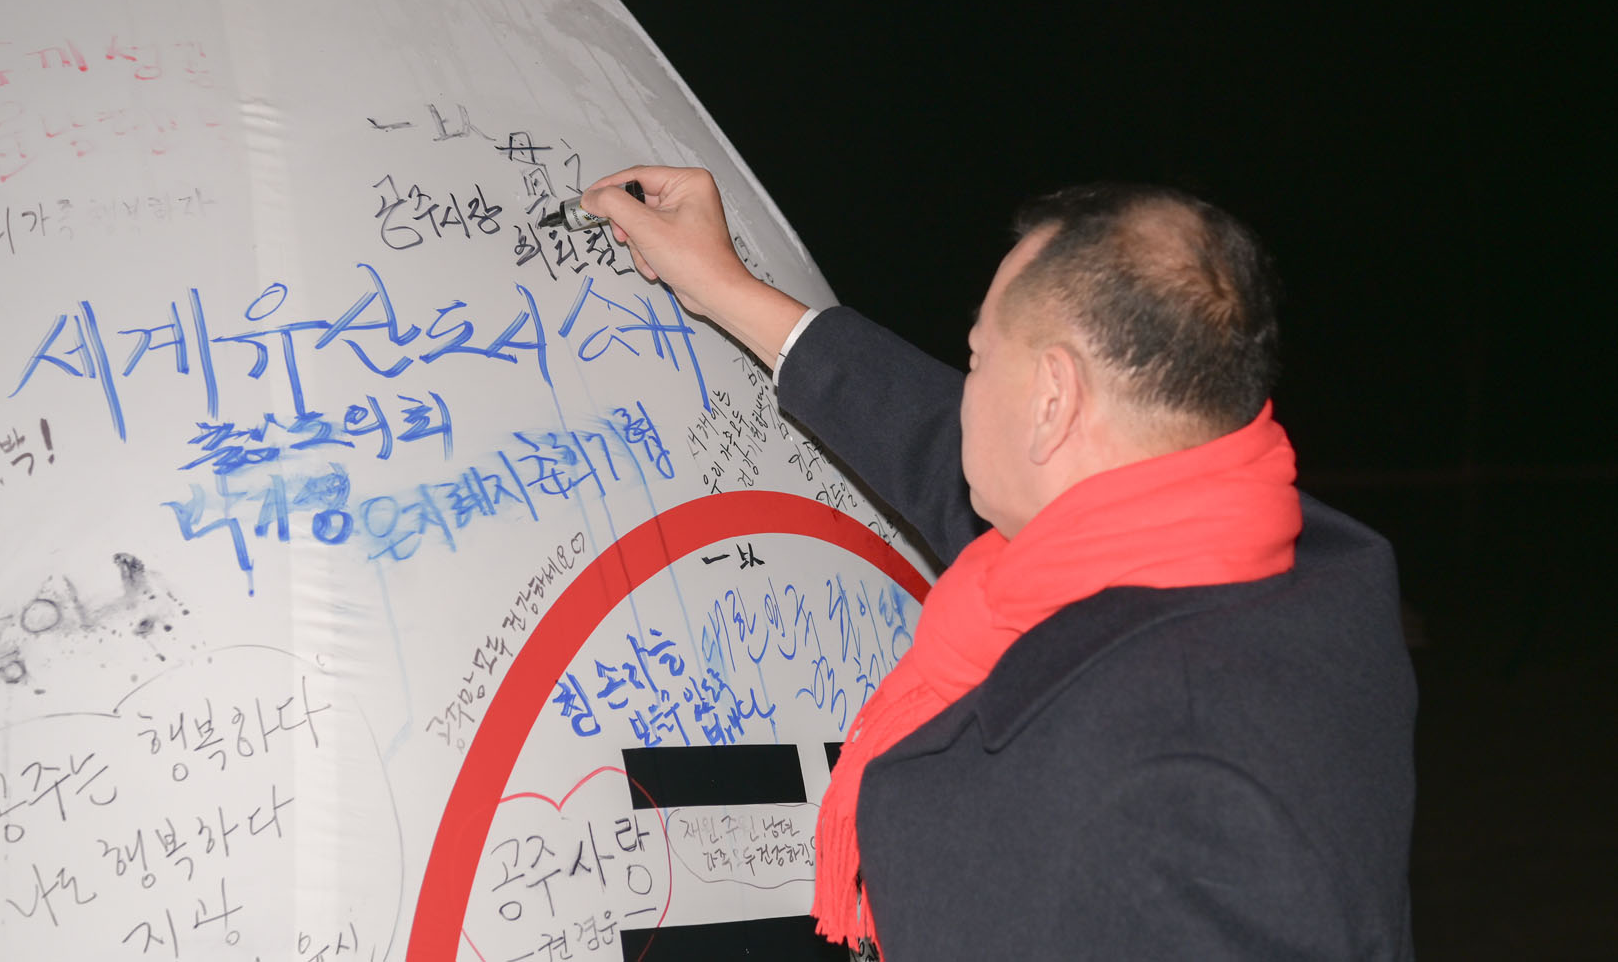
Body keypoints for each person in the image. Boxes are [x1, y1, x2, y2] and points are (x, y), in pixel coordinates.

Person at [583, 167, 1416, 960]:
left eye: (979, 360)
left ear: (1052, 400)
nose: (965, 392)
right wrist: (726, 288)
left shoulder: (1175, 779)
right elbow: (938, 442)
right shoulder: (1293, 571)